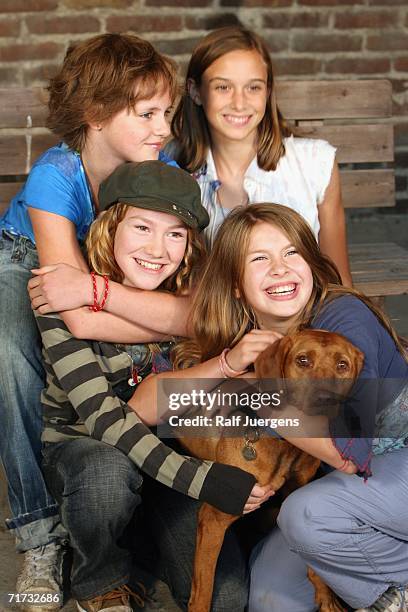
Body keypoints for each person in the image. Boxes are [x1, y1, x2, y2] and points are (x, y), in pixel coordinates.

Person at [131, 203, 408, 612]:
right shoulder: (248, 341)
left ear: (311, 265)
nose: (279, 269)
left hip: (389, 465)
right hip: (345, 495)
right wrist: (227, 365)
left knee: (306, 514)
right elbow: (143, 407)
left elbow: (349, 451)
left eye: (291, 253)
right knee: (271, 599)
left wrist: (251, 389)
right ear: (237, 284)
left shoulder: (345, 321)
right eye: (260, 258)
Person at [0, 32, 188, 606]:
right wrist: (172, 318)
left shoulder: (166, 168)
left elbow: (192, 307)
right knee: (11, 352)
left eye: (168, 113)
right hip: (29, 256)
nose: (164, 128)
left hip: (112, 265)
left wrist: (177, 318)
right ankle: (39, 532)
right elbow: (77, 317)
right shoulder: (56, 176)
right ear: (96, 113)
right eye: (148, 113)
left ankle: (129, 491)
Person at [36, 161, 270, 612]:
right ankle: (99, 578)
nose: (158, 249)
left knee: (226, 600)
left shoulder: (188, 298)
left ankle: (142, 543)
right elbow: (108, 422)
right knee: (106, 475)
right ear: (109, 228)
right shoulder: (60, 297)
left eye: (176, 234)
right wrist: (205, 480)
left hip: (169, 455)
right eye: (142, 227)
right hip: (87, 451)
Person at [167, 25, 353, 286]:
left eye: (253, 88)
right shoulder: (170, 166)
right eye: (223, 87)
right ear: (196, 91)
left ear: (268, 91)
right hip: (210, 318)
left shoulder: (315, 164)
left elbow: (338, 280)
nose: (239, 103)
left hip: (298, 313)